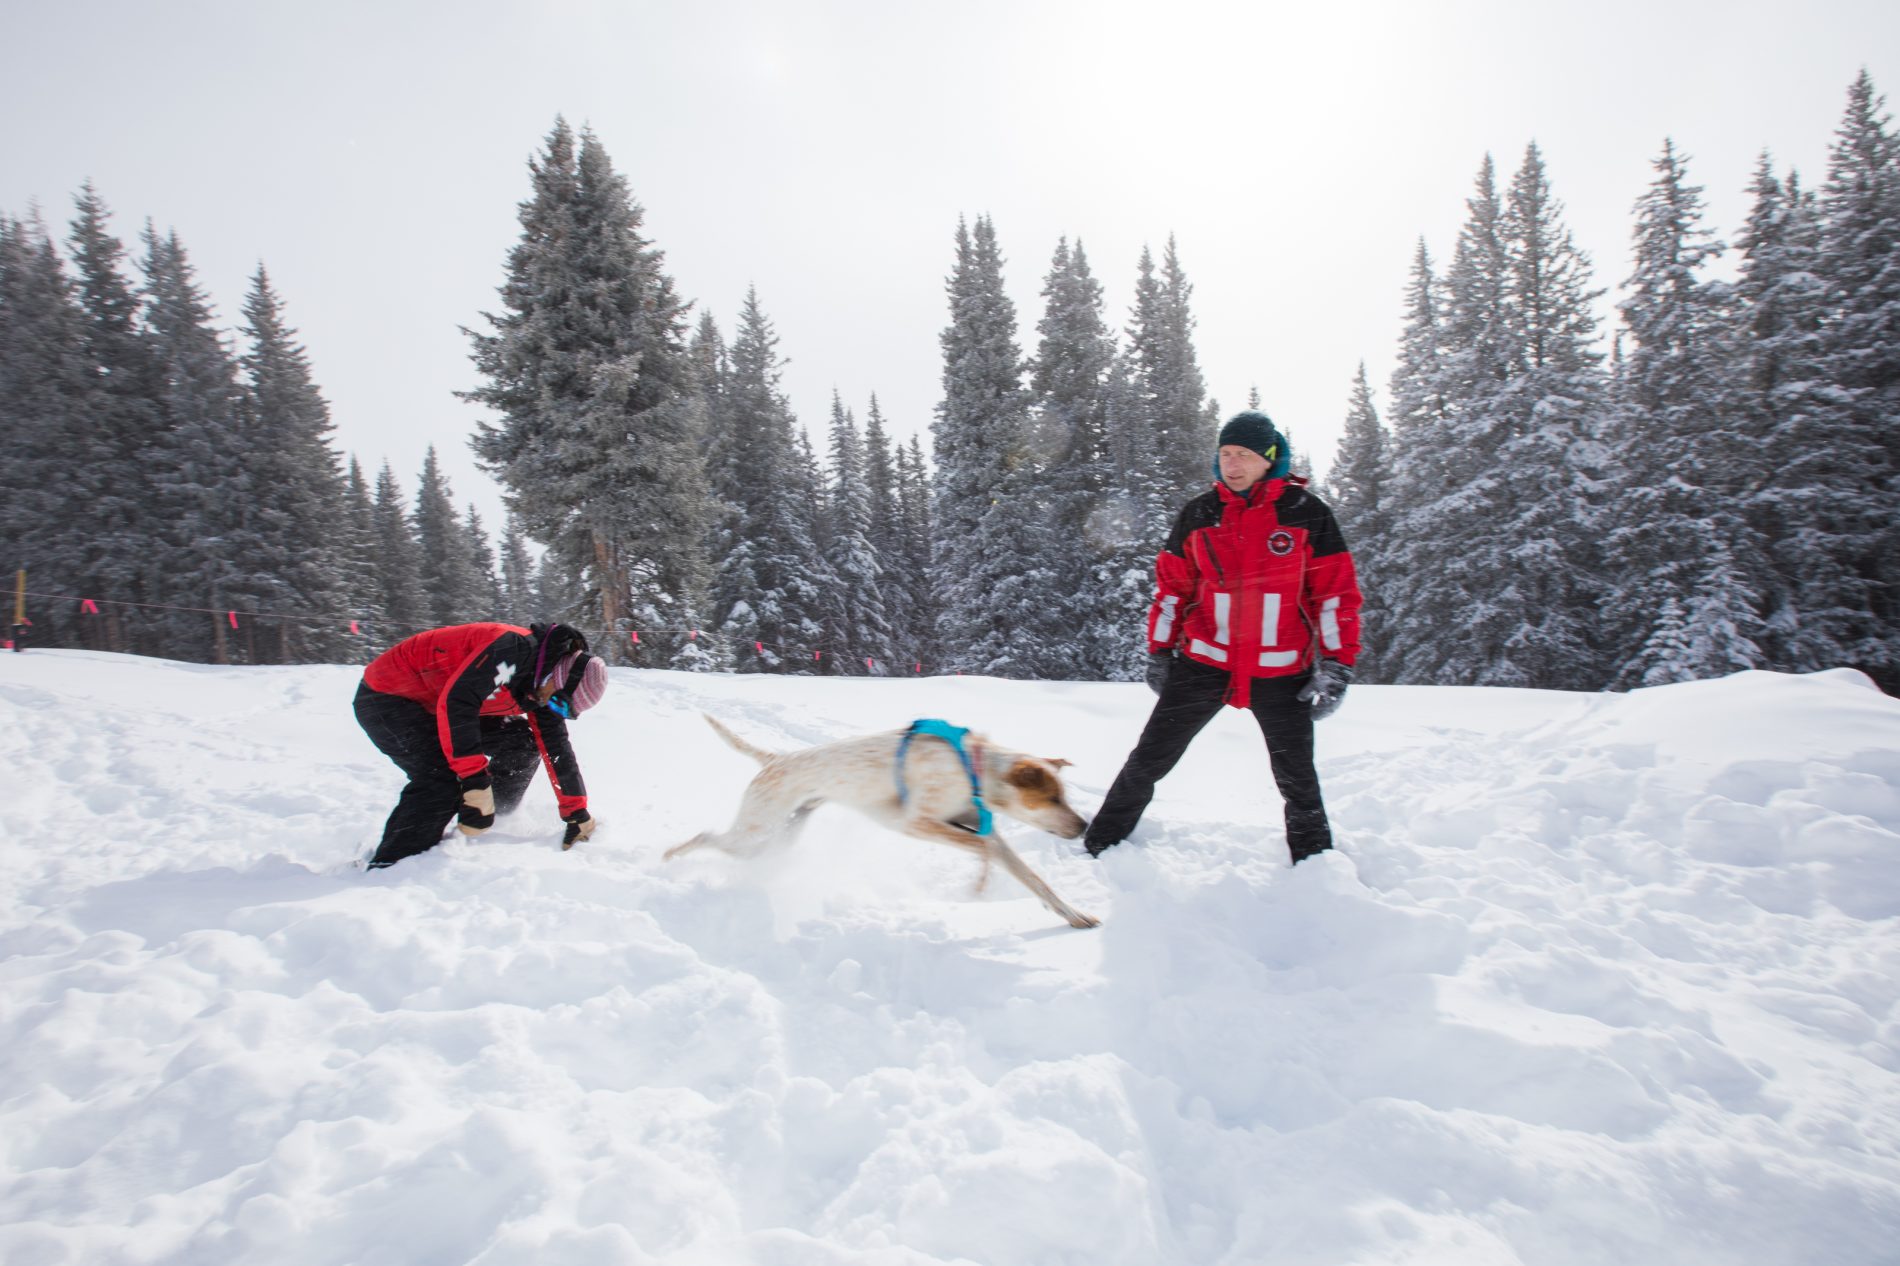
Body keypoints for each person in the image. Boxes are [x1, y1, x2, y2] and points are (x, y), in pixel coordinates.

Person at [1084, 410, 1362, 864]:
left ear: (1269, 458)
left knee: (1297, 779)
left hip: (1281, 672)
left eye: (1244, 455)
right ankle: (1101, 844)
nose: (1232, 464)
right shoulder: (1199, 513)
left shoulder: (1306, 514)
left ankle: (1315, 866)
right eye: (1225, 454)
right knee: (1149, 759)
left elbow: (1334, 596)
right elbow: (1173, 588)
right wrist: (1159, 650)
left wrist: (1337, 665)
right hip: (1203, 665)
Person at [354, 621, 608, 869]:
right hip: (389, 697)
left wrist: (576, 811)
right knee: (444, 779)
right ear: (559, 678)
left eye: (563, 710)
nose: (553, 709)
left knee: (522, 743)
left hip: (441, 704)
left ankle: (489, 820)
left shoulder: (543, 682)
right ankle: (392, 865)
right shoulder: (512, 651)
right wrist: (475, 781)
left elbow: (555, 746)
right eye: (558, 703)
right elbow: (458, 703)